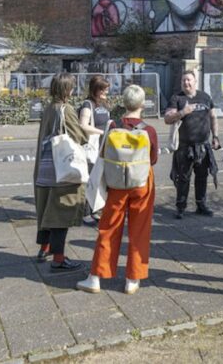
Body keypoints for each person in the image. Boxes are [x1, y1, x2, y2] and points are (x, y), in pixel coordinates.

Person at [76, 85, 159, 295]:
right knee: (139, 230)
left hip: (116, 183)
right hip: (142, 182)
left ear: (124, 103)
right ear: (142, 105)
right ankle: (133, 279)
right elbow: (153, 159)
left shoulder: (113, 126)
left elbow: (103, 153)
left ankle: (95, 277)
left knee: (109, 228)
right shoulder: (149, 130)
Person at [32, 72, 88, 272]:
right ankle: (58, 259)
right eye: (72, 87)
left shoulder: (49, 108)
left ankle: (44, 248)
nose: (73, 90)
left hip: (44, 167)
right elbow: (79, 137)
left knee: (46, 209)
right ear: (67, 90)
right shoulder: (66, 109)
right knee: (60, 213)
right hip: (61, 170)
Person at [164, 70, 220, 219]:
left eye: (189, 80)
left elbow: (213, 117)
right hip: (184, 147)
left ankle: (201, 205)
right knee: (183, 178)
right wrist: (183, 112)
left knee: (202, 177)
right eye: (183, 80)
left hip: (203, 145)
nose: (186, 83)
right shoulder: (177, 98)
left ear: (195, 81)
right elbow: (167, 119)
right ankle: (180, 207)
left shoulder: (205, 97)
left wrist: (215, 136)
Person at [78, 75, 112, 224]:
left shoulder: (105, 104)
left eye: (107, 89)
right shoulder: (88, 104)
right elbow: (83, 125)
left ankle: (95, 210)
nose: (106, 92)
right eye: (103, 89)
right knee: (90, 180)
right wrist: (102, 132)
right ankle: (86, 213)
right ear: (95, 89)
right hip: (91, 148)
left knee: (100, 181)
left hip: (103, 147)